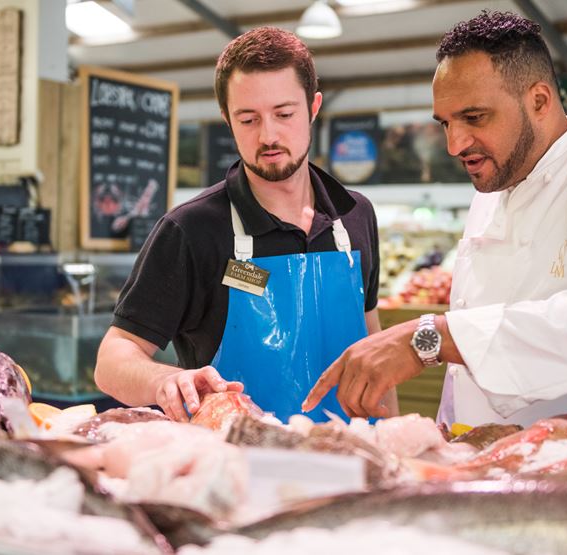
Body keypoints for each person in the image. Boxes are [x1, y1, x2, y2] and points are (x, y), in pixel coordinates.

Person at [304, 11, 567, 444]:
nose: (454, 144)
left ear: (539, 100)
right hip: (506, 475)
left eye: (474, 117)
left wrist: (431, 336)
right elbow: (470, 365)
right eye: (445, 123)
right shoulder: (490, 194)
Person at [95, 27, 397, 423]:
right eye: (248, 119)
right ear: (227, 118)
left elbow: (374, 347)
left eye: (284, 114)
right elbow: (112, 359)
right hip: (237, 468)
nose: (268, 135)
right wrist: (163, 380)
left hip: (360, 464)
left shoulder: (355, 214)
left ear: (313, 107)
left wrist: (396, 444)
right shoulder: (191, 229)